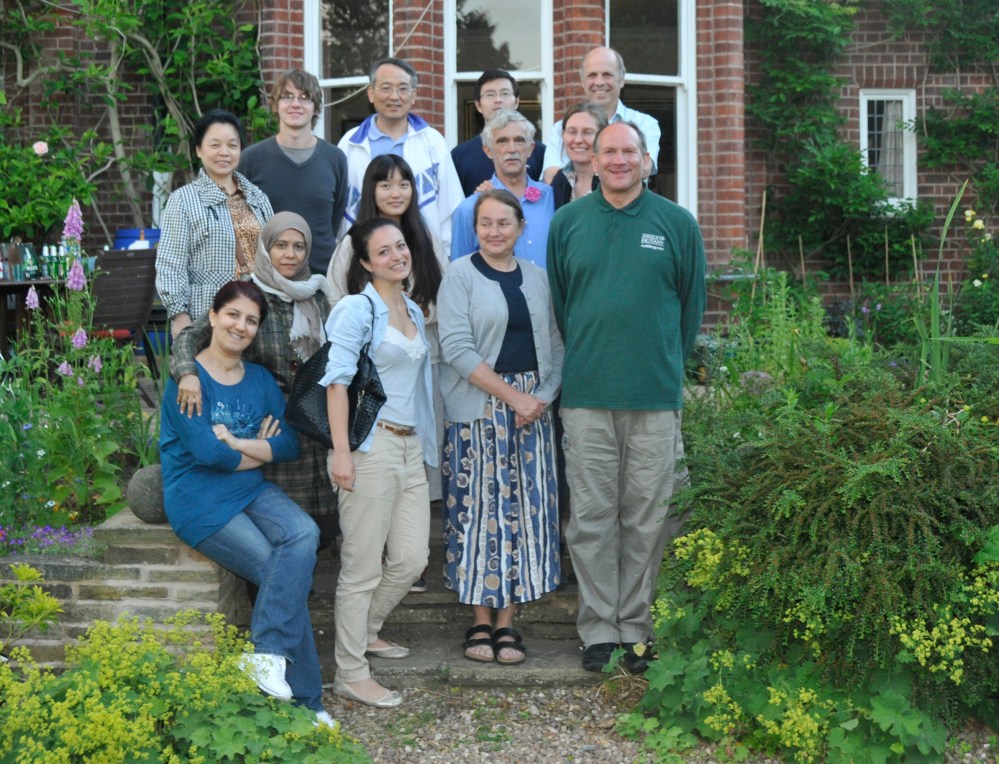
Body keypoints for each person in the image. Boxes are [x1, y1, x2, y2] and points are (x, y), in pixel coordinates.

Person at [546, 122, 706, 674]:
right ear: (592, 155)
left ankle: (637, 628)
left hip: (654, 398)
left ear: (646, 159)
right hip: (587, 394)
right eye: (608, 150)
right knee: (591, 517)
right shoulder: (568, 223)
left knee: (648, 517)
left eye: (628, 151)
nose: (617, 160)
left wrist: (661, 365)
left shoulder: (677, 224)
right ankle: (599, 630)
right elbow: (563, 307)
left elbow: (691, 309)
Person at [159, 280, 332, 728]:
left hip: (249, 488)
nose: (241, 326)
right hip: (198, 500)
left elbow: (291, 442)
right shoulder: (188, 383)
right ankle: (308, 704)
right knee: (279, 570)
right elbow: (207, 456)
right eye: (233, 315)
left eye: (251, 320)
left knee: (305, 534)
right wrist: (256, 446)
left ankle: (268, 658)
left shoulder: (258, 380)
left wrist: (238, 442)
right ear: (213, 317)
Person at [438, 189, 563, 665]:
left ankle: (508, 622)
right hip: (480, 408)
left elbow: (557, 344)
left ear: (521, 227)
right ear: (476, 228)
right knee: (478, 513)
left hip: (532, 412)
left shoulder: (538, 278)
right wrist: (513, 397)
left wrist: (540, 399)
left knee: (524, 514)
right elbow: (456, 347)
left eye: (503, 223)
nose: (494, 232)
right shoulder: (459, 275)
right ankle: (479, 620)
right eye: (485, 223)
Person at [321, 218, 437, 708]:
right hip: (370, 448)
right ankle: (350, 671)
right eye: (384, 251)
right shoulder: (356, 309)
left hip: (410, 447)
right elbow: (336, 381)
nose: (397, 256)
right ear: (366, 262)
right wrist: (342, 452)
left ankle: (366, 630)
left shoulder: (411, 307)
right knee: (361, 567)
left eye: (401, 247)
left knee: (413, 558)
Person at [170, 212, 338, 549]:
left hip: (317, 421)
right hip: (270, 420)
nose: (290, 254)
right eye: (281, 245)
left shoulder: (319, 296)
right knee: (278, 521)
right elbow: (191, 337)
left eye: (299, 247)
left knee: (323, 523)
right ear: (265, 248)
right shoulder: (247, 294)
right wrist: (187, 372)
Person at [326, 154, 448, 534]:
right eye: (385, 184)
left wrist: (422, 313)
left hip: (422, 359)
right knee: (376, 463)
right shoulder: (354, 242)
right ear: (370, 190)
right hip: (372, 369)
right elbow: (335, 295)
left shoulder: (423, 237)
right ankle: (373, 547)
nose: (396, 193)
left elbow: (445, 293)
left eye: (404, 184)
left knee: (419, 453)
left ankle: (410, 548)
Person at [156, 110, 274, 339]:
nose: (224, 152)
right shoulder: (183, 200)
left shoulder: (257, 197)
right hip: (206, 313)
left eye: (232, 145)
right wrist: (180, 316)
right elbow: (170, 264)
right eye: (215, 145)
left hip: (258, 312)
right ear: (199, 150)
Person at [338, 57, 463, 252]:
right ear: (371, 93)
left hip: (422, 253)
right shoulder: (350, 143)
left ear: (413, 96)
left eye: (403, 88)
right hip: (363, 252)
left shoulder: (433, 141)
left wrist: (445, 256)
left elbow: (451, 206)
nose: (395, 96)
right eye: (386, 88)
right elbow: (341, 206)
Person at [238, 69, 349, 276]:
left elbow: (335, 220)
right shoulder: (251, 159)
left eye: (305, 98)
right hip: (265, 282)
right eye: (287, 97)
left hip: (321, 279)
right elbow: (241, 223)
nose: (295, 104)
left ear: (316, 107)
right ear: (275, 105)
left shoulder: (335, 159)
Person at [449, 110, 554, 268]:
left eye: (519, 140)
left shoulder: (551, 197)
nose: (512, 149)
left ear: (530, 149)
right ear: (488, 150)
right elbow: (459, 273)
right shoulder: (468, 209)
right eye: (502, 141)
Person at [541, 48, 661, 182]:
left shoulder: (644, 124)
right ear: (582, 82)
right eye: (592, 75)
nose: (599, 82)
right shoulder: (561, 128)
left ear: (621, 80)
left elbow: (644, 169)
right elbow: (551, 176)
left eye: (607, 75)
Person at [450, 69, 547, 197]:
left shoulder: (539, 152)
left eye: (505, 93)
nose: (498, 100)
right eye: (490, 95)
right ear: (478, 105)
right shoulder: (459, 156)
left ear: (516, 101)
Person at [550, 102, 608, 209]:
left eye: (587, 132)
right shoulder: (560, 181)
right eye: (572, 132)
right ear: (563, 135)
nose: (578, 140)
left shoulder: (612, 180)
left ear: (603, 136)